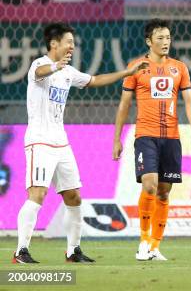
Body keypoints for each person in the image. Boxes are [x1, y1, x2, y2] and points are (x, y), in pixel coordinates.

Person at [13, 22, 148, 264]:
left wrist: (127, 73)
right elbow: (40, 73)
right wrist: (55, 65)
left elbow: (95, 79)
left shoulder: (68, 72)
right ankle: (21, 250)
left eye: (73, 43)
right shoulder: (40, 64)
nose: (72, 46)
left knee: (74, 196)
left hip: (61, 142)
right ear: (54, 44)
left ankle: (73, 251)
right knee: (38, 193)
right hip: (39, 142)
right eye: (68, 42)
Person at [113, 19, 191, 261]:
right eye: (160, 38)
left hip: (171, 137)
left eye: (168, 38)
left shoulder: (179, 68)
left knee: (164, 192)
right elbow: (124, 105)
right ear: (148, 41)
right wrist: (116, 139)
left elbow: (190, 103)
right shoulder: (136, 67)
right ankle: (142, 241)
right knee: (149, 184)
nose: (165, 42)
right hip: (145, 135)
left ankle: (154, 245)